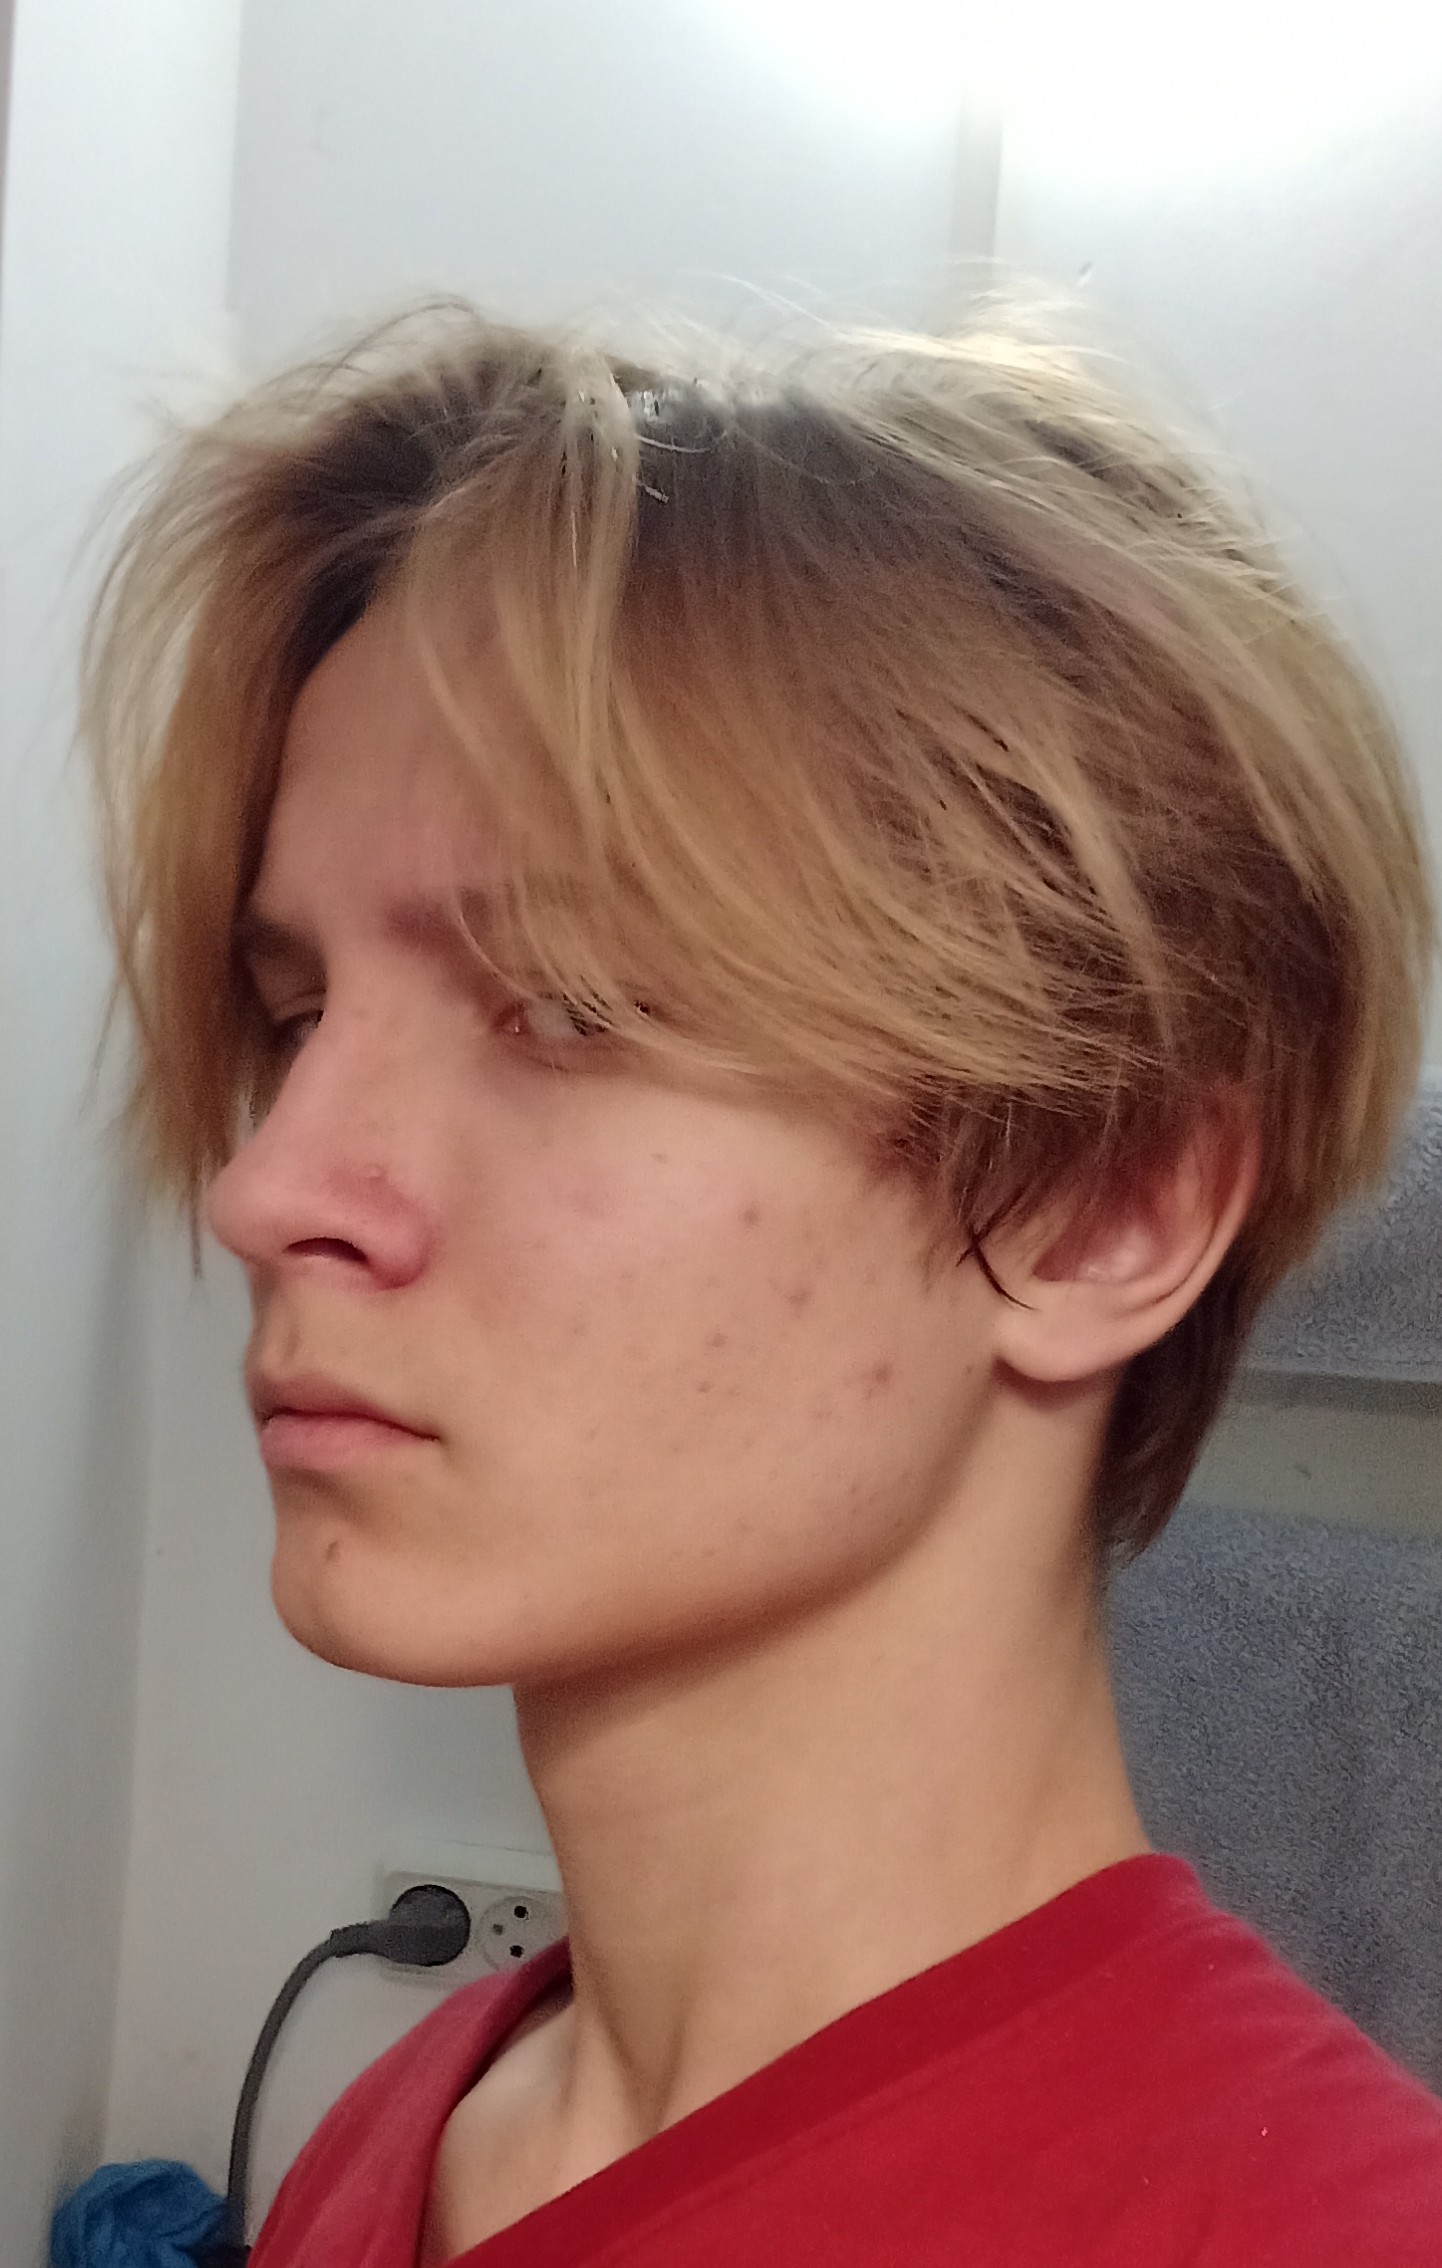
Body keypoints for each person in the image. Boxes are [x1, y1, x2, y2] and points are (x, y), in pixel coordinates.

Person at [84, 300, 1442, 2264]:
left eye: (563, 1007)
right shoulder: (421, 2114)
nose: (267, 1184)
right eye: (298, 1015)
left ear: (1105, 1210)